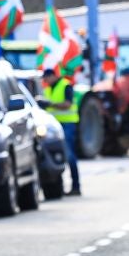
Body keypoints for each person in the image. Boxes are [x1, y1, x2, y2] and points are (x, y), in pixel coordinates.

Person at [41, 67, 82, 195]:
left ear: (52, 76)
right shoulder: (48, 89)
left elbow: (67, 104)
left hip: (67, 124)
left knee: (69, 155)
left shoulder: (66, 85)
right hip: (53, 126)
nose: (46, 81)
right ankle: (58, 187)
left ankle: (76, 186)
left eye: (47, 78)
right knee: (56, 155)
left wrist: (50, 104)